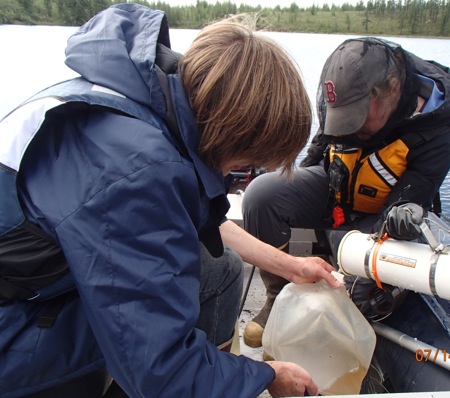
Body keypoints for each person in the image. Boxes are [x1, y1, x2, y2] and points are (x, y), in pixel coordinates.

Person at [0, 4, 342, 397]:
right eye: (248, 162)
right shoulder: (138, 168)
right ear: (234, 134)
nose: (243, 173)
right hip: (13, 331)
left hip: (39, 283)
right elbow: (161, 370)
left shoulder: (140, 100)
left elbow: (178, 217)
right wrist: (265, 376)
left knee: (221, 269)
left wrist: (289, 264)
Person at [242, 37, 450, 347]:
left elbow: (410, 196)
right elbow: (319, 150)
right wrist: (295, 185)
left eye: (358, 115)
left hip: (382, 221)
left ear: (392, 90)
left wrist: (402, 214)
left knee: (362, 294)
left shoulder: (436, 131)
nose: (349, 126)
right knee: (264, 195)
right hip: (337, 197)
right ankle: (281, 297)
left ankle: (330, 308)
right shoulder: (345, 95)